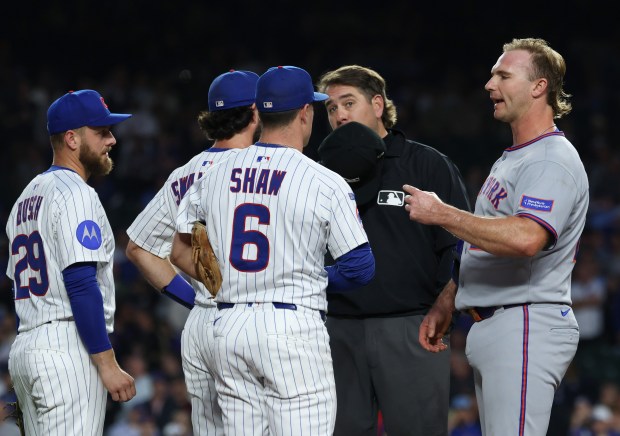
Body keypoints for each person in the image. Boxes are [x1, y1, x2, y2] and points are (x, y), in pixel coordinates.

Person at [170, 65, 375, 435]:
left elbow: (182, 248)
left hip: (227, 324)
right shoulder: (323, 180)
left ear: (259, 114)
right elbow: (360, 267)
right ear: (304, 112)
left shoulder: (213, 172)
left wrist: (230, 283)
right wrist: (301, 279)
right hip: (290, 326)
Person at [404, 38, 588, 435]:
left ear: (539, 87)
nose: (490, 85)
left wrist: (442, 214)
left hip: (525, 320)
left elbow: (525, 238)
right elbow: (485, 243)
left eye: (503, 75)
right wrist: (448, 300)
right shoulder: (516, 156)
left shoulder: (551, 158)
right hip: (503, 321)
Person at [316, 64, 471, 435]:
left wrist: (446, 301)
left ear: (378, 103)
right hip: (337, 330)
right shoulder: (320, 172)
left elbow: (462, 244)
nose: (339, 115)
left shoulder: (426, 163)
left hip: (412, 327)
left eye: (348, 103)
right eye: (331, 108)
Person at [125, 69, 261, 435]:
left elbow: (138, 248)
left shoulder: (184, 173)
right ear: (254, 111)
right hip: (253, 315)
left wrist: (194, 297)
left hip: (202, 323)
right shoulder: (261, 168)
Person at [5, 89, 137, 435]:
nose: (112, 139)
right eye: (102, 132)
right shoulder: (76, 193)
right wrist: (107, 364)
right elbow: (80, 284)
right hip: (67, 347)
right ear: (72, 139)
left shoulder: (25, 199)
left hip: (27, 345)